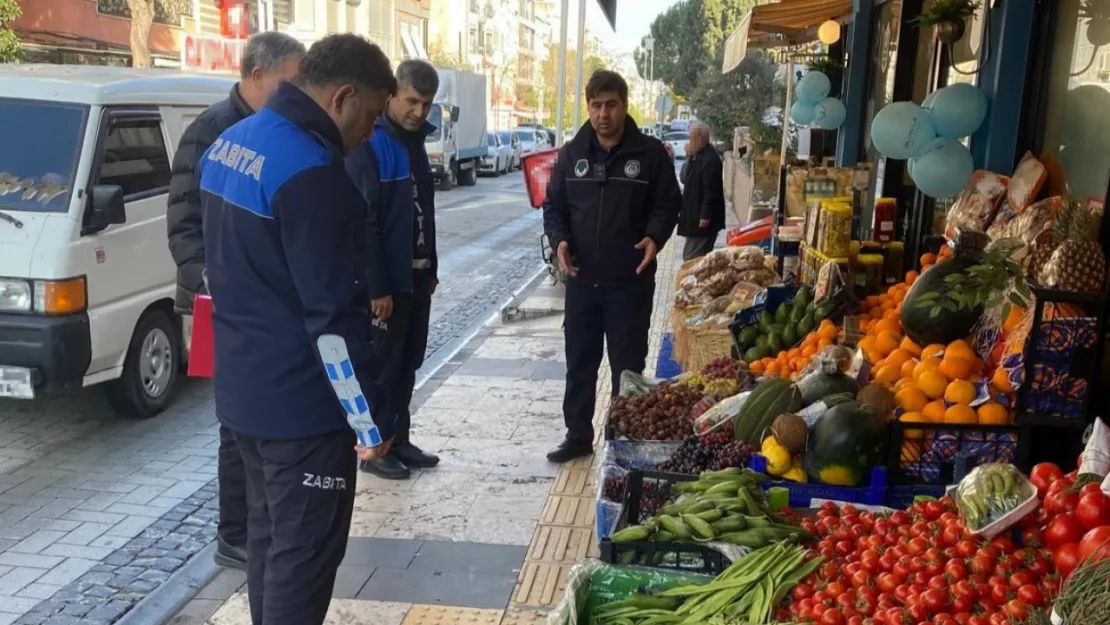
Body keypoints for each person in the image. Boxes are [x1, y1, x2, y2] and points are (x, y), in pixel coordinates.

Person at [198, 34, 396, 625]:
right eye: (372, 115)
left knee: (269, 545)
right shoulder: (313, 174)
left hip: (243, 397)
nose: (372, 133)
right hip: (301, 414)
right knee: (301, 558)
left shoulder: (231, 142)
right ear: (342, 97)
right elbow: (334, 323)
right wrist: (371, 422)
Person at [165, 31, 305, 571]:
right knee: (235, 423)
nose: (297, 96)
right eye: (288, 83)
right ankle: (234, 532)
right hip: (220, 303)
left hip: (268, 305)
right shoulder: (210, 132)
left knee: (263, 416)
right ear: (254, 76)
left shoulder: (284, 131)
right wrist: (213, 278)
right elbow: (183, 226)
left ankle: (262, 524)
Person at [542, 70, 681, 463]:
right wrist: (560, 241)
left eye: (611, 104)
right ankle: (577, 435)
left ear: (624, 104)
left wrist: (655, 235)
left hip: (629, 284)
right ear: (588, 107)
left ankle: (622, 438)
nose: (603, 113)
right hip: (583, 282)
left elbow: (669, 203)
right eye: (596, 105)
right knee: (580, 365)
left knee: (628, 369)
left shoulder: (650, 154)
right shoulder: (572, 154)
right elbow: (554, 207)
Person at [346, 59, 441, 480]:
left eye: (427, 104)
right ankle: (375, 447)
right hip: (388, 286)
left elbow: (424, 214)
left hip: (417, 278)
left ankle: (399, 438)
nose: (419, 112)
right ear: (393, 96)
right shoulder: (372, 143)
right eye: (412, 101)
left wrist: (431, 266)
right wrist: (376, 286)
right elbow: (364, 219)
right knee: (382, 368)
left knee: (408, 363)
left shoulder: (416, 144)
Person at [677, 121, 725, 261]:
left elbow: (712, 191)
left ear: (700, 138)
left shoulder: (710, 159)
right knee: (695, 259)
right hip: (693, 217)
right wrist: (689, 156)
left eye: (691, 137)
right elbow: (684, 178)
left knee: (692, 259)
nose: (689, 141)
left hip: (702, 222)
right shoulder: (697, 156)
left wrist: (705, 216)